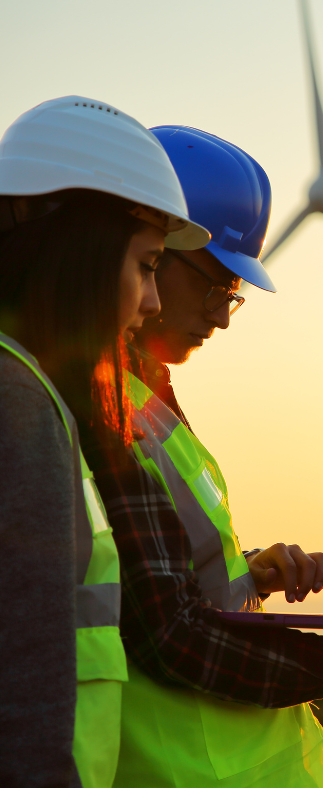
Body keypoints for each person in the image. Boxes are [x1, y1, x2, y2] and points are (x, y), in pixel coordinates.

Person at [94, 126, 323, 788]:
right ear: (146, 250)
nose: (224, 315)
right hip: (182, 771)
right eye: (214, 283)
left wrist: (247, 574)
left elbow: (153, 575)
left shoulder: (150, 398)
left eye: (234, 295)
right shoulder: (99, 409)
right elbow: (166, 635)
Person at [0, 97, 209, 788]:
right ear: (82, 251)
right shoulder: (17, 405)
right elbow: (27, 674)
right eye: (149, 264)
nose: (151, 301)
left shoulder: (29, 390)